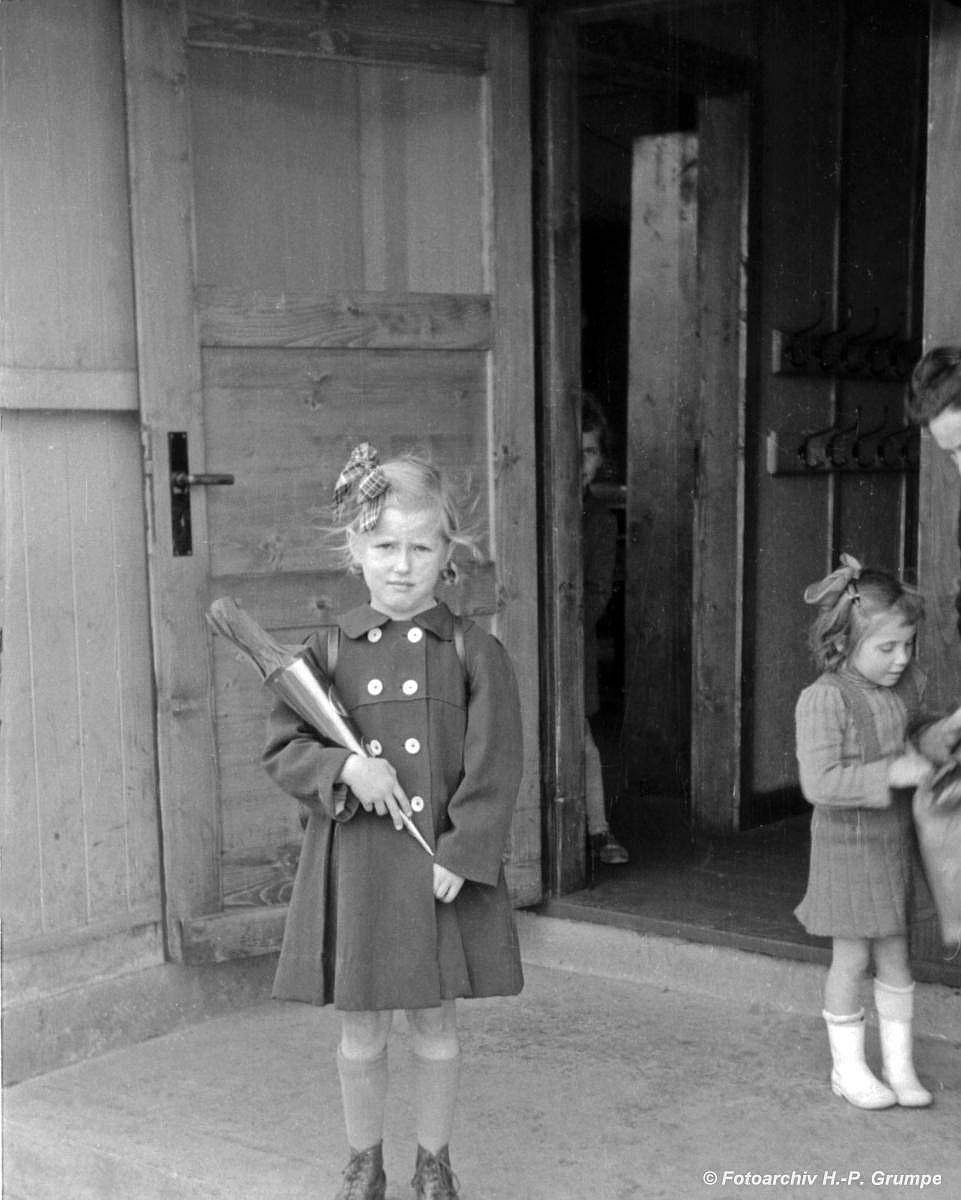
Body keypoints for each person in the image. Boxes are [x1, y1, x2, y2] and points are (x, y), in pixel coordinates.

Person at [263, 442, 524, 1200]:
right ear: (355, 550)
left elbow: (496, 764)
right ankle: (363, 1162)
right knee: (363, 1026)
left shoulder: (474, 651)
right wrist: (345, 769)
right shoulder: (326, 652)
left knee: (435, 1022)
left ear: (449, 553)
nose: (402, 567)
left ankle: (433, 1162)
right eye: (383, 547)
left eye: (421, 548)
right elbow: (285, 748)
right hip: (361, 870)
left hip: (438, 870)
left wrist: (463, 852)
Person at [794, 553, 935, 1110]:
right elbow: (819, 782)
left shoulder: (901, 689)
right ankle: (848, 1069)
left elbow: (912, 736)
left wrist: (940, 737)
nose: (902, 659)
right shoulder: (824, 699)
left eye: (909, 645)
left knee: (897, 954)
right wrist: (893, 773)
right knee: (851, 959)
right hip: (847, 848)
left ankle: (900, 1067)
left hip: (892, 843)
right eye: (887, 647)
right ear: (843, 642)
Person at [581, 394, 629, 865]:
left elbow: (597, 591)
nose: (582, 463)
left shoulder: (597, 519)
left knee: (582, 741)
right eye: (573, 452)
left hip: (571, 642)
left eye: (591, 451)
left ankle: (598, 829)